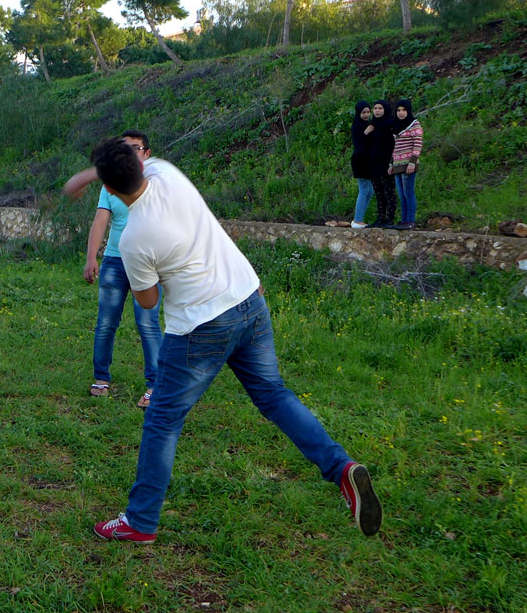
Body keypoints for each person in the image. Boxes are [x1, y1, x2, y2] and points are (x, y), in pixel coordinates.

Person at [80, 140, 381, 543]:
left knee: (163, 421)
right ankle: (340, 467)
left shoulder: (134, 238)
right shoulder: (168, 173)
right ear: (141, 162)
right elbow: (134, 165)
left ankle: (140, 521)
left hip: (199, 328)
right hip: (248, 299)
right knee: (274, 394)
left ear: (110, 192)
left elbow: (148, 301)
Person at [82, 133, 162, 407]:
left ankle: (155, 387)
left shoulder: (158, 183)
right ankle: (100, 379)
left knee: (148, 324)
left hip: (148, 264)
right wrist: (92, 257)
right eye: (125, 148)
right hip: (115, 262)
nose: (130, 152)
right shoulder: (110, 185)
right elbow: (100, 221)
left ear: (147, 153)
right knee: (106, 323)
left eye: (135, 148)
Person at [387, 99, 423, 230]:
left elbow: (417, 144)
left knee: (408, 192)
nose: (401, 113)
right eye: (398, 110)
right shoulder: (396, 126)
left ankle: (410, 220)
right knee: (401, 193)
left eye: (404, 110)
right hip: (397, 164)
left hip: (408, 163)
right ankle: (403, 220)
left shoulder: (414, 125)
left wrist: (412, 162)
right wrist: (391, 164)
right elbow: (394, 147)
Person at [349, 102, 375, 228]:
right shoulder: (357, 126)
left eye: (367, 112)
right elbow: (359, 145)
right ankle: (357, 219)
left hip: (368, 161)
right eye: (363, 112)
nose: (366, 115)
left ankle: (359, 218)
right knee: (364, 189)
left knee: (370, 191)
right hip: (360, 160)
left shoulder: (368, 125)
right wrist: (365, 133)